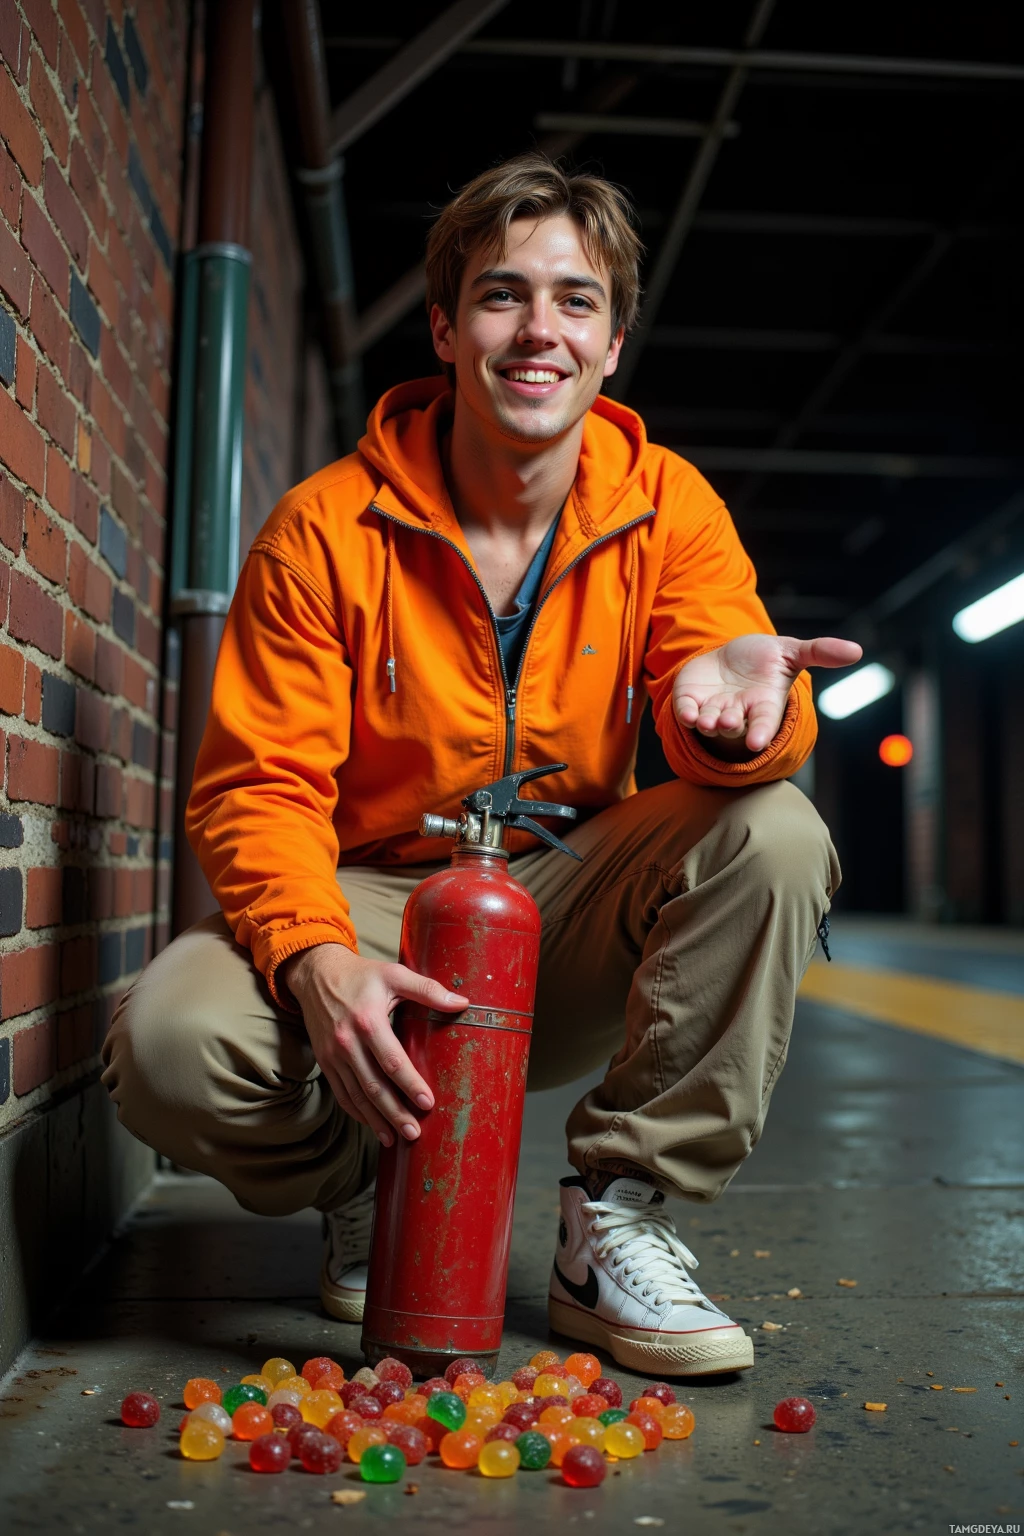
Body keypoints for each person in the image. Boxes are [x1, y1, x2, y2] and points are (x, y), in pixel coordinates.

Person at [102, 153, 858, 1376]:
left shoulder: (668, 509)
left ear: (614, 342)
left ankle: (609, 1219)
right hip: (379, 904)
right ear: (448, 327)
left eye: (575, 300)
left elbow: (712, 700)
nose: (538, 330)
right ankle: (363, 1179)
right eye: (503, 296)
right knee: (170, 1045)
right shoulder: (324, 527)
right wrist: (312, 959)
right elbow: (259, 787)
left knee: (774, 828)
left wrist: (746, 722)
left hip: (561, 913)